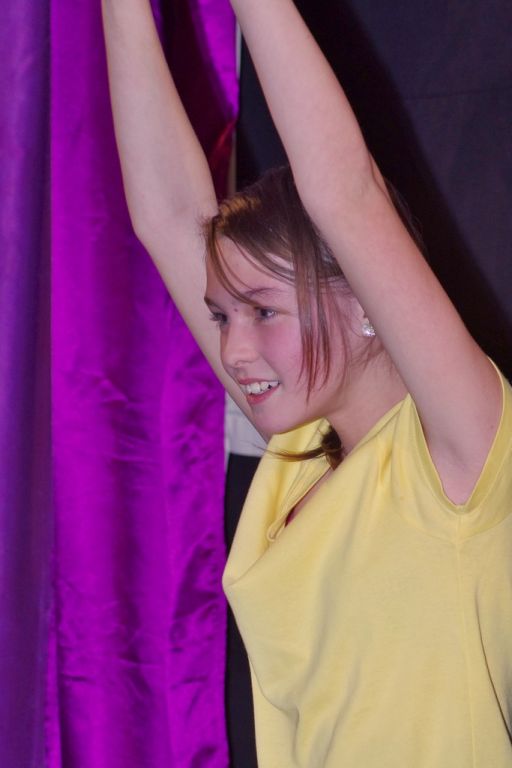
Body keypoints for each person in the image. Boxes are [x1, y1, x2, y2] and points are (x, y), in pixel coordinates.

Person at [102, 1, 512, 766]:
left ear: (365, 300)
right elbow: (167, 216)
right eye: (223, 315)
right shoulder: (295, 458)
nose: (235, 349)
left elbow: (345, 193)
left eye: (264, 311)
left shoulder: (460, 452)